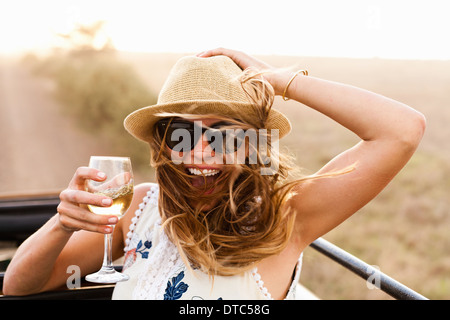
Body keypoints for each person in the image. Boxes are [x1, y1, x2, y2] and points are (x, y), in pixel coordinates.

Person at [3, 48, 426, 299]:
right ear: (161, 142)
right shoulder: (142, 208)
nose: (201, 151)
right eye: (181, 131)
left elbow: (401, 131)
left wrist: (278, 80)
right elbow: (18, 286)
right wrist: (60, 224)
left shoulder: (288, 217)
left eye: (224, 134)